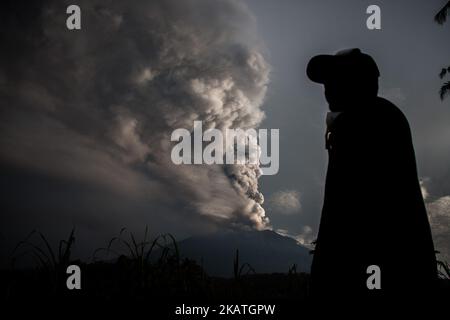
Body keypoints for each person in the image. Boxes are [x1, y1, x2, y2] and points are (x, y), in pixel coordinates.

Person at [306, 48, 437, 299]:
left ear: (359, 82)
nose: (327, 90)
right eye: (327, 83)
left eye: (336, 81)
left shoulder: (362, 121)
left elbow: (349, 210)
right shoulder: (380, 116)